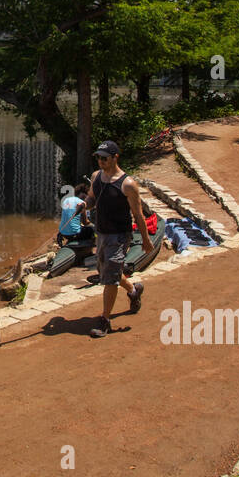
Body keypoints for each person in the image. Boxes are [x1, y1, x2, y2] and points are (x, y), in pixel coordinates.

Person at [82, 139, 153, 338]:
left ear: (115, 158)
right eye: (98, 158)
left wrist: (146, 240)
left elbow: (138, 215)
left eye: (105, 158)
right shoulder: (96, 177)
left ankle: (105, 320)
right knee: (106, 272)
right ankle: (133, 290)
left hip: (120, 235)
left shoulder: (128, 184)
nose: (101, 161)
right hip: (102, 233)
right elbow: (92, 198)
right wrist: (84, 206)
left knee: (110, 278)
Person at [56, 179, 92, 246]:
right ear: (83, 194)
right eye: (86, 195)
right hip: (75, 234)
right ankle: (88, 249)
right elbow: (85, 222)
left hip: (64, 234)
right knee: (92, 230)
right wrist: (92, 224)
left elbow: (66, 218)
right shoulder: (81, 203)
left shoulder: (66, 200)